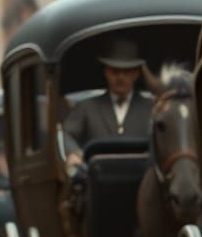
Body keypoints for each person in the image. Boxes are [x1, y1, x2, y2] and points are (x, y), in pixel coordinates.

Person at [64, 36, 154, 169]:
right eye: (114, 71)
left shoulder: (152, 107)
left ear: (136, 73)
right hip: (98, 176)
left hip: (142, 176)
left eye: (127, 72)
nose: (120, 77)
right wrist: (74, 153)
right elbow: (67, 134)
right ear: (106, 71)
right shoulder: (87, 107)